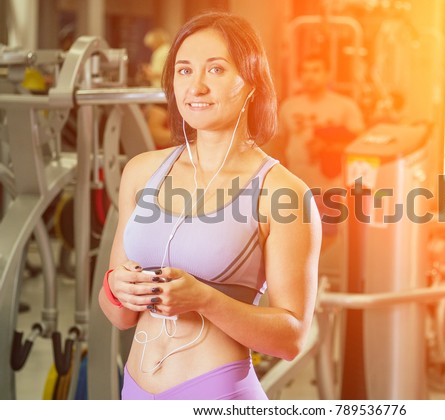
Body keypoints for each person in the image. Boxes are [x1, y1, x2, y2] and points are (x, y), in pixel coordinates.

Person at [98, 12, 321, 400]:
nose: (196, 86)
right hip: (134, 392)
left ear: (251, 82)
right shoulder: (142, 171)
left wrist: (204, 299)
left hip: (217, 395)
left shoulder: (281, 192)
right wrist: (116, 288)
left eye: (215, 70)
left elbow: (292, 338)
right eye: (184, 71)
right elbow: (119, 315)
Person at [277, 53, 365, 192]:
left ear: (328, 74)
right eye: (305, 71)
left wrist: (327, 147)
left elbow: (360, 146)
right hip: (295, 185)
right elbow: (280, 144)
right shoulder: (288, 106)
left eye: (316, 70)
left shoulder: (345, 106)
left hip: (332, 187)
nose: (309, 76)